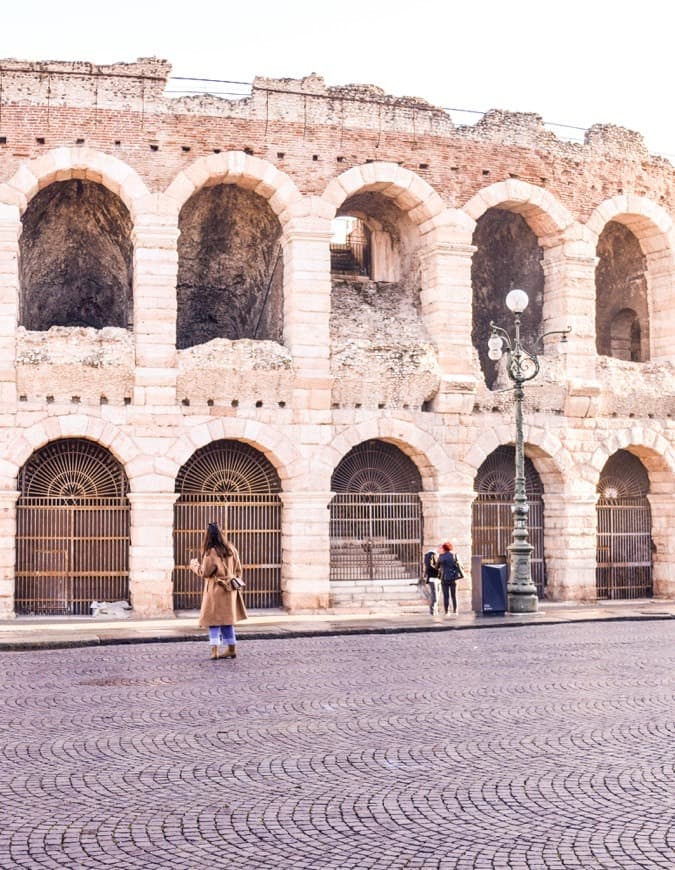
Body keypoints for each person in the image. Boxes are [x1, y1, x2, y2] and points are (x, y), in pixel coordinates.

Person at [193, 522, 247, 660]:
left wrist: (194, 565)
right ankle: (231, 649)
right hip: (230, 590)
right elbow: (239, 569)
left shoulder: (211, 552)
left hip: (216, 590)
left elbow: (205, 572)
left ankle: (215, 651)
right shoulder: (231, 549)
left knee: (214, 620)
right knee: (227, 620)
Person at [437, 540, 462, 616]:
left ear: (444, 549)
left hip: (444, 578)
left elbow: (437, 566)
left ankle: (447, 611)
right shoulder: (454, 555)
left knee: (446, 596)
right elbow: (459, 565)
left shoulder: (441, 556)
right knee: (454, 595)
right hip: (453, 577)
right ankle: (455, 610)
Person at [423, 547, 440, 615]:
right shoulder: (430, 555)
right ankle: (432, 611)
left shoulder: (434, 555)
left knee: (436, 595)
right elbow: (429, 566)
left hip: (436, 578)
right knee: (435, 596)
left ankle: (434, 610)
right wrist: (438, 570)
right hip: (433, 578)